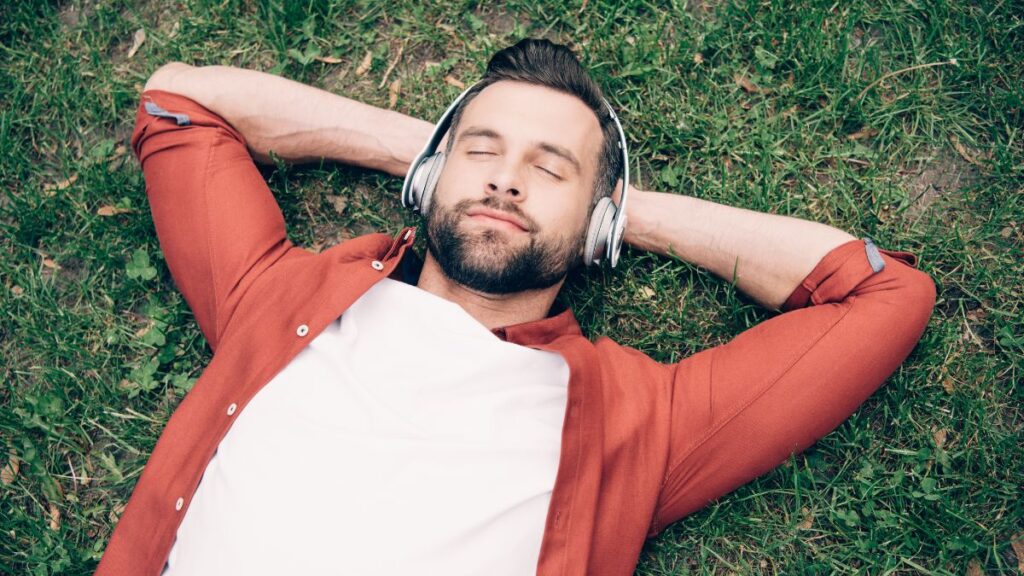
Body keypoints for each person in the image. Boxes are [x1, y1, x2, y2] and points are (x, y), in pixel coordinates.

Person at [95, 39, 935, 576]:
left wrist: (621, 214)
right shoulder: (278, 300)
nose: (504, 177)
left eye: (551, 168)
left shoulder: (636, 424)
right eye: (483, 151)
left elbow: (885, 296)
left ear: (598, 218)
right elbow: (179, 102)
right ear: (429, 176)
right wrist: (426, 155)